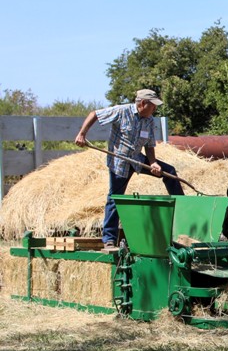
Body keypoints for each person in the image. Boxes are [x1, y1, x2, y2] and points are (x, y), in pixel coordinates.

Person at [75, 89, 184, 249]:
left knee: (170, 172)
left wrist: (153, 163)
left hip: (137, 159)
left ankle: (183, 213)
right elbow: (94, 114)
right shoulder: (121, 111)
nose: (155, 109)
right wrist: (82, 134)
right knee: (115, 197)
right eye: (153, 106)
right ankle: (109, 239)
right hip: (119, 161)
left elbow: (149, 145)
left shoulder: (149, 120)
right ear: (142, 103)